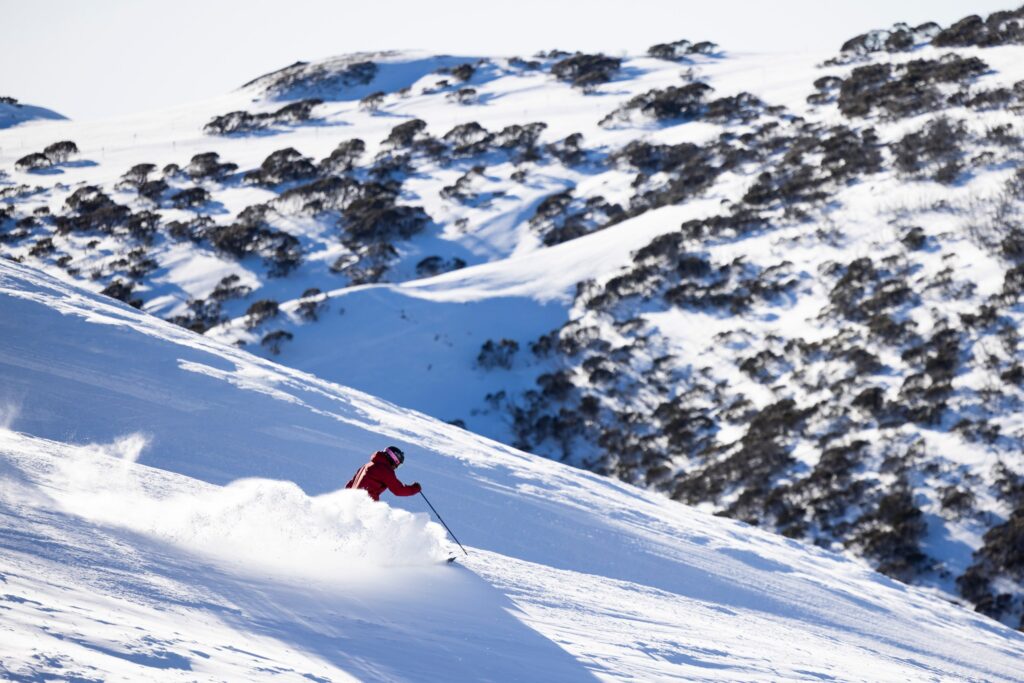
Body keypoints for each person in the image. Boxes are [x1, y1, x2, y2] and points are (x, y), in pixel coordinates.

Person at [345, 446, 421, 501]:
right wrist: (415, 488)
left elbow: (350, 484)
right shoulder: (384, 470)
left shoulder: (368, 465)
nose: (396, 467)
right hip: (366, 506)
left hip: (353, 502)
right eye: (398, 465)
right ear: (394, 460)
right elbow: (398, 490)